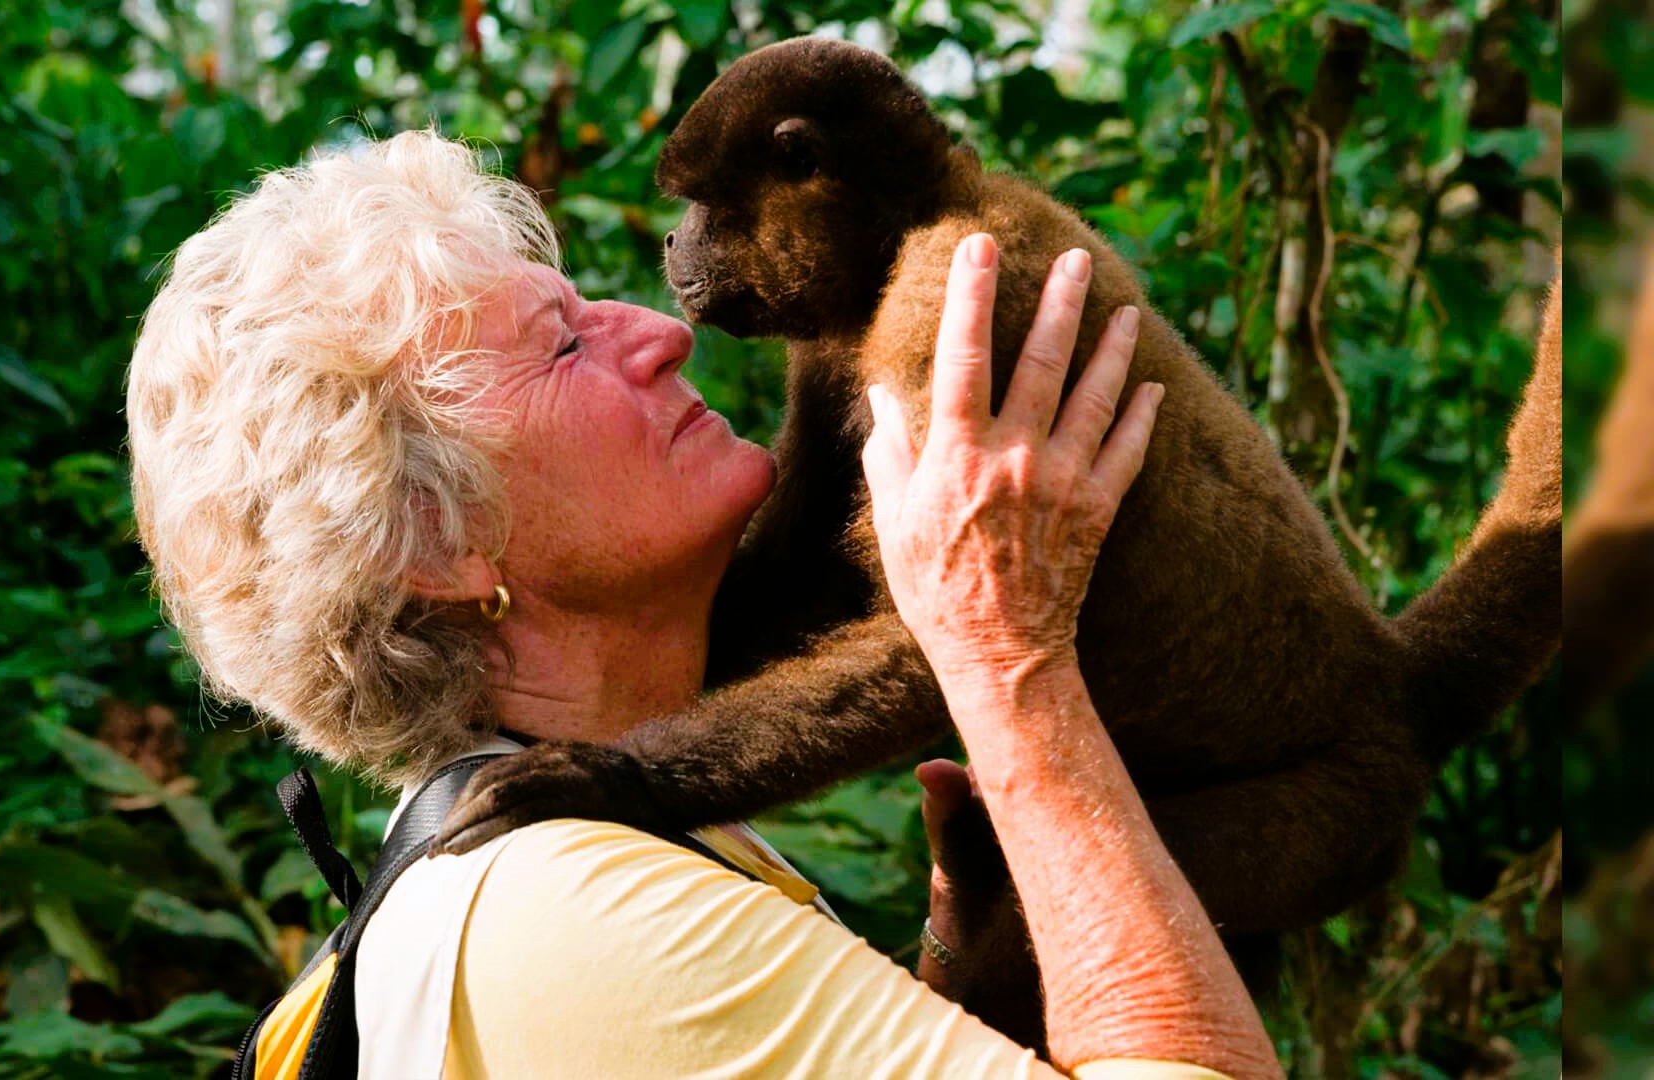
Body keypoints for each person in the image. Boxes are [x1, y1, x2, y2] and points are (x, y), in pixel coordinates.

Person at [126, 130, 1282, 1079]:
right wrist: (1008, 653)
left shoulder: (604, 849)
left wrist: (961, 974)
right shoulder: (558, 913)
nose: (664, 329)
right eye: (564, 341)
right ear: (440, 541)